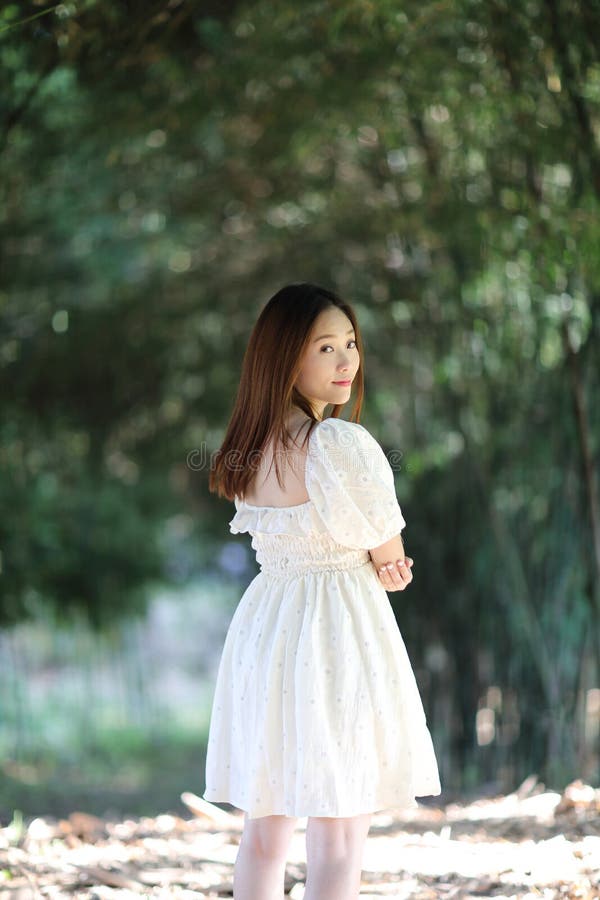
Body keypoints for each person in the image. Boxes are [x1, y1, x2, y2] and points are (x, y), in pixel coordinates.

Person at [203, 282, 441, 899]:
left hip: (268, 631)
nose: (346, 363)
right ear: (287, 359)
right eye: (326, 348)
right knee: (336, 838)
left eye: (351, 344)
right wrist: (393, 567)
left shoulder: (247, 447)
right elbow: (387, 551)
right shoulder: (339, 443)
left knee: (264, 830)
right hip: (336, 631)